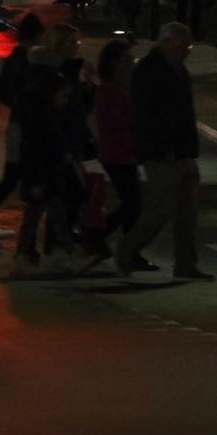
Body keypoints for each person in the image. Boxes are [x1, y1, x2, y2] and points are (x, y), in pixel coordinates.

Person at [117, 22, 210, 281]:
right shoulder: (150, 72)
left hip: (179, 150)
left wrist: (188, 150)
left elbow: (184, 114)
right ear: (168, 43)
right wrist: (164, 147)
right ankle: (126, 251)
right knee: (160, 208)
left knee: (186, 211)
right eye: (183, 46)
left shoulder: (176, 69)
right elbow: (148, 117)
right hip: (160, 152)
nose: (187, 51)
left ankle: (186, 263)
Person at [11, 23, 84, 277]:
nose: (77, 47)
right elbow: (41, 132)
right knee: (47, 205)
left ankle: (43, 253)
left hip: (51, 154)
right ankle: (42, 253)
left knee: (48, 205)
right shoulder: (46, 84)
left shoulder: (50, 78)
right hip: (45, 156)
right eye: (72, 42)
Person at [0, 12, 46, 237]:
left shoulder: (13, 60)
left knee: (12, 177)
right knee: (26, 177)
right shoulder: (32, 62)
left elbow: (1, 93)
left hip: (17, 124)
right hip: (27, 127)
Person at [89, 38, 144, 267]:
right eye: (127, 59)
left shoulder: (121, 87)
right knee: (133, 202)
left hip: (124, 151)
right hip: (116, 153)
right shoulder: (110, 90)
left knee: (133, 202)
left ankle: (126, 248)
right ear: (114, 63)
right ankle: (101, 237)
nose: (131, 63)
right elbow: (112, 122)